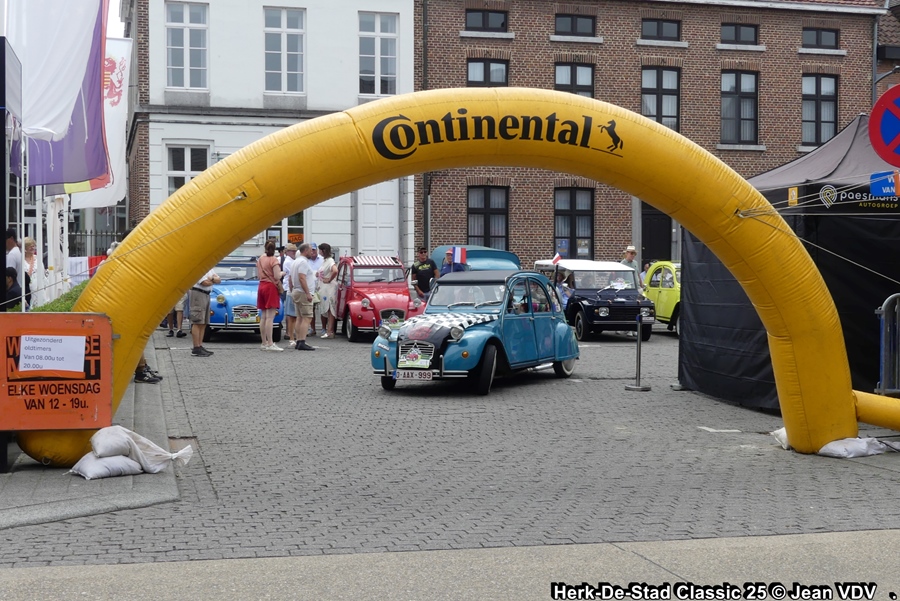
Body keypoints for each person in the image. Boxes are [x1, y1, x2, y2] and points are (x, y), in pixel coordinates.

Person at [256, 240, 284, 351]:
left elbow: (259, 274)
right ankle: (270, 343)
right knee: (270, 317)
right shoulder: (274, 260)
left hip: (261, 285)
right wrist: (282, 273)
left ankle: (264, 342)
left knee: (263, 316)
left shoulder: (260, 259)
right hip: (270, 287)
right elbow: (277, 276)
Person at [289, 242, 317, 351]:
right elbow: (302, 278)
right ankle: (302, 341)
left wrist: (292, 289)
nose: (312, 252)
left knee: (299, 317)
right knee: (307, 317)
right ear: (305, 251)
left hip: (297, 291)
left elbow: (290, 278)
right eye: (310, 250)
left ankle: (299, 340)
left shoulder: (295, 261)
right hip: (303, 292)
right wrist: (308, 293)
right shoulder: (303, 262)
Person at [190, 267, 221, 357]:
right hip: (198, 294)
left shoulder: (209, 269)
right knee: (197, 320)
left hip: (206, 294)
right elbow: (204, 283)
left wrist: (211, 279)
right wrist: (213, 279)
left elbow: (219, 280)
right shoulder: (199, 269)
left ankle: (200, 345)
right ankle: (196, 347)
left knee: (203, 322)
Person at [316, 243, 338, 338]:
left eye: (320, 250)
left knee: (330, 308)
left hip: (329, 288)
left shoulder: (330, 261)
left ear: (323, 250)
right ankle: (329, 330)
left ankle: (330, 331)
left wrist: (329, 279)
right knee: (326, 307)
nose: (319, 252)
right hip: (324, 288)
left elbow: (335, 270)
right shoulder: (325, 261)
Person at [280, 243, 298, 347]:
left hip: (288, 287)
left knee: (291, 312)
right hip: (288, 288)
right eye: (292, 251)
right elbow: (293, 274)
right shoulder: (288, 261)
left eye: (295, 251)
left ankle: (290, 331)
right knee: (290, 312)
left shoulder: (291, 260)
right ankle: (288, 332)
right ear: (287, 252)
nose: (294, 252)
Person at [308, 242, 323, 336]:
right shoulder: (306, 260)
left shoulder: (322, 259)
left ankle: (324, 328)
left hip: (321, 286)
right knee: (311, 309)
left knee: (322, 308)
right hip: (310, 287)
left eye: (314, 250)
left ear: (317, 250)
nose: (312, 252)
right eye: (311, 250)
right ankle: (312, 328)